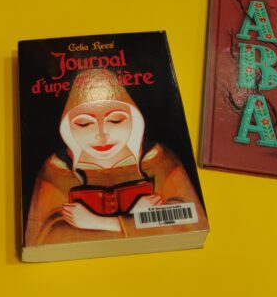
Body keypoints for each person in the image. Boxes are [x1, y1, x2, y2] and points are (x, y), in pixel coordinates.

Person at [24, 69, 206, 247]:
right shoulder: (56, 170)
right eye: (84, 123)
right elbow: (43, 240)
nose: (102, 134)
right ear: (68, 128)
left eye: (115, 120)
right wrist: (141, 221)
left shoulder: (159, 160)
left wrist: (99, 222)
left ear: (134, 120)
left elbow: (190, 224)